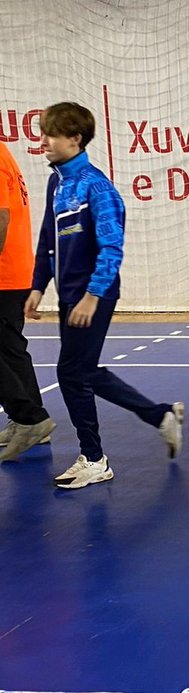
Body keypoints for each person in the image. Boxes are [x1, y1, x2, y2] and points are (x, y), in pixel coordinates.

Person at [26, 103, 183, 490]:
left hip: (93, 296)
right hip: (70, 296)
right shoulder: (57, 182)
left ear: (75, 139)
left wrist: (93, 296)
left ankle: (95, 458)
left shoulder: (98, 187)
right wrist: (37, 286)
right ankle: (160, 416)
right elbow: (49, 239)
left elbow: (112, 247)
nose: (43, 141)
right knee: (83, 371)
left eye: (51, 134)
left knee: (73, 372)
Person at [0, 140, 56, 461]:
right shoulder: (4, 153)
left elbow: (1, 219)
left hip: (4, 273)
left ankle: (29, 419)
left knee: (8, 348)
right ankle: (29, 418)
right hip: (16, 271)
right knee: (10, 348)